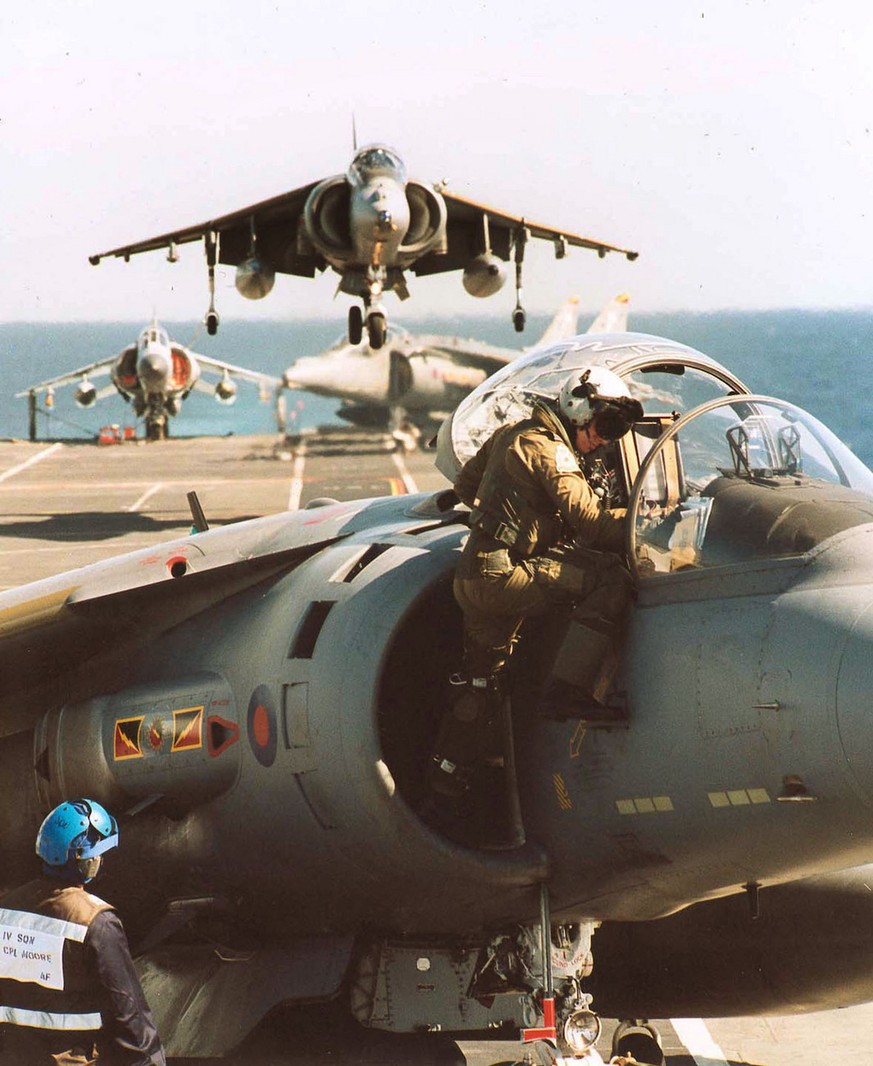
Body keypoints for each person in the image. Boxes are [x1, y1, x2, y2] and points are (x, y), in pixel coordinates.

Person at [430, 367, 643, 797]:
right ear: (578, 409)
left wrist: (516, 515)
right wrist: (646, 522)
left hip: (475, 575)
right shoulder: (550, 451)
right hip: (504, 576)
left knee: (482, 684)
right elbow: (595, 526)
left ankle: (447, 780)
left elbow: (467, 485)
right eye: (604, 426)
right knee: (609, 578)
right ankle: (568, 690)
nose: (605, 439)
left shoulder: (514, 433)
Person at [0, 799, 166, 1066]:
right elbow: (131, 1020)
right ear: (85, 862)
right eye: (97, 855)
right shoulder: (96, 922)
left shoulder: (4, 912)